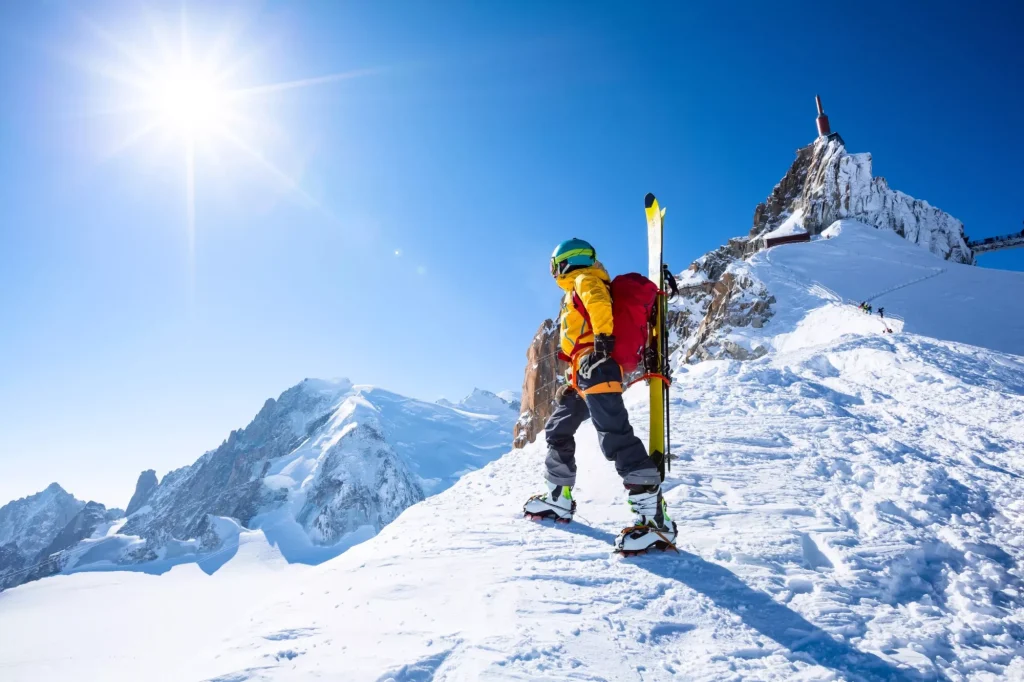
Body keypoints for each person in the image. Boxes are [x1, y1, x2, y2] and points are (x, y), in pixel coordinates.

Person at [523, 238, 677, 552]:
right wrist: (574, 378)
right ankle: (557, 499)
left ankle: (655, 521)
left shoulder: (585, 279)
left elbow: (597, 303)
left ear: (561, 263)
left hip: (598, 367)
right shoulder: (576, 287)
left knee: (615, 436)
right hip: (583, 373)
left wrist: (603, 341)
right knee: (557, 430)